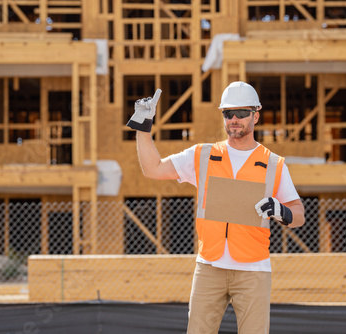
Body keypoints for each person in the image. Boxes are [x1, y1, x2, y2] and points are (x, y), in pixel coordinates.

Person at [127, 81, 305, 334]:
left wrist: (281, 210)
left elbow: (298, 215)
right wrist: (143, 126)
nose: (234, 119)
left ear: (255, 115)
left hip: (253, 269)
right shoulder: (202, 155)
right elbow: (153, 169)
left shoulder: (274, 164)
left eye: (242, 113)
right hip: (209, 265)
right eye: (228, 113)